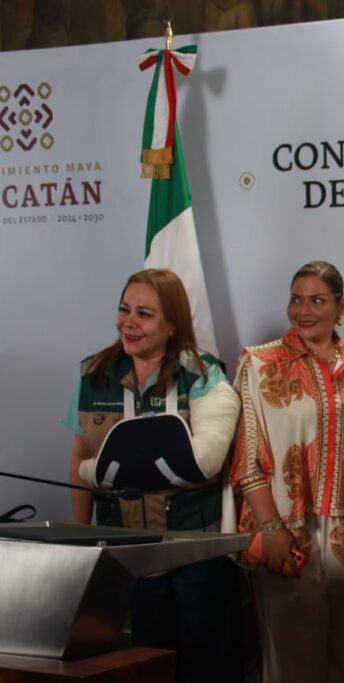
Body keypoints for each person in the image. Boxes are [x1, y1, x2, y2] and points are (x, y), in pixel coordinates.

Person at [64, 268, 242, 682]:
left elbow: (201, 464)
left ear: (172, 323)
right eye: (124, 309)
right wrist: (78, 535)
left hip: (194, 548)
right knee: (143, 663)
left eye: (144, 313)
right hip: (126, 551)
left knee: (203, 662)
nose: (128, 322)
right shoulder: (93, 375)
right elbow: (79, 458)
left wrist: (103, 470)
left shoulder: (202, 374)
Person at [226, 260, 344, 683]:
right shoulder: (259, 365)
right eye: (296, 299)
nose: (304, 310)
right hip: (286, 532)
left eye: (318, 300)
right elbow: (246, 457)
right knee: (293, 659)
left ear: (341, 305)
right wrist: (270, 527)